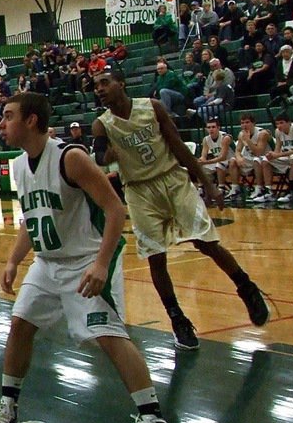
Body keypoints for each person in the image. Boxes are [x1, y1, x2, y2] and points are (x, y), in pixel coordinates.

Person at [0, 92, 187, 423]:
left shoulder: (70, 158)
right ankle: (8, 407)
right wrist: (14, 260)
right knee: (19, 325)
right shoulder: (18, 165)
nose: (1, 123)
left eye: (8, 116)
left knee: (109, 338)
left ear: (31, 120)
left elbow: (115, 209)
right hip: (48, 263)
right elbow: (34, 219)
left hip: (84, 259)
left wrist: (100, 263)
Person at [91, 69, 268, 351]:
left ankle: (246, 286)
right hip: (139, 190)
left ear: (121, 83)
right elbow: (99, 155)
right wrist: (107, 156)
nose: (99, 89)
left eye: (104, 83)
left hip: (172, 179)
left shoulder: (152, 107)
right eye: (95, 86)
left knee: (206, 242)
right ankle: (177, 318)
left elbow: (177, 146)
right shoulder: (102, 124)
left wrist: (208, 184)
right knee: (155, 257)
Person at [227, 114, 272, 202]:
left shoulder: (262, 133)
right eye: (242, 123)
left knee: (256, 159)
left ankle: (259, 188)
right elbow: (238, 150)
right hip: (249, 159)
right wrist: (239, 157)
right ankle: (235, 189)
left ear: (253, 123)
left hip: (265, 159)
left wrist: (248, 140)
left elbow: (258, 152)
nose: (244, 125)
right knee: (233, 161)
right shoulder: (241, 134)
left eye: (247, 122)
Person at [265, 115, 293, 203]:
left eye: (281, 123)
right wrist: (272, 154)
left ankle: (291, 191)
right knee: (265, 160)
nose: (279, 126)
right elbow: (277, 149)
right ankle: (268, 191)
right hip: (286, 157)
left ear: (289, 122)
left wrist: (279, 154)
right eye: (277, 124)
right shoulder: (278, 131)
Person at [197, 118, 233, 195]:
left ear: (218, 128)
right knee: (199, 166)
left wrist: (206, 162)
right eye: (209, 127)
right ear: (206, 129)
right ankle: (201, 188)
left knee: (219, 165)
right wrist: (201, 160)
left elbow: (223, 157)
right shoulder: (206, 139)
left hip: (230, 162)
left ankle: (221, 188)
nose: (211, 129)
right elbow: (203, 155)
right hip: (217, 161)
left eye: (213, 127)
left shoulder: (225, 137)